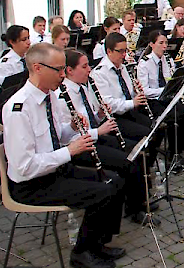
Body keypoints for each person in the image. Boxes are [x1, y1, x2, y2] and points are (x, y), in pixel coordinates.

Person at [3, 43, 126, 268]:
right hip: (32, 184)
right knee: (102, 191)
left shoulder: (48, 96)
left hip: (55, 170)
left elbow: (56, 135)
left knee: (115, 180)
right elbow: (24, 167)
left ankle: (96, 243)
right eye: (58, 70)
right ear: (38, 68)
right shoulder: (18, 108)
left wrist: (71, 126)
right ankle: (80, 254)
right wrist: (70, 151)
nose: (63, 75)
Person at [59, 49, 151, 225]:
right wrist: (99, 131)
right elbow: (68, 138)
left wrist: (101, 114)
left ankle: (134, 200)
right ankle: (134, 208)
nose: (89, 70)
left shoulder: (83, 87)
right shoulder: (62, 96)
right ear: (69, 70)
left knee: (135, 151)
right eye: (84, 66)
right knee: (127, 161)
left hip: (93, 137)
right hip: (81, 147)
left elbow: (89, 118)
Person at [89, 33, 161, 159]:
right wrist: (133, 103)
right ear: (109, 51)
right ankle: (142, 166)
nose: (124, 55)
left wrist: (135, 91)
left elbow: (128, 93)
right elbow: (108, 103)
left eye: (125, 51)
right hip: (114, 117)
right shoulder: (99, 73)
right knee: (147, 134)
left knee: (156, 128)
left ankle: (147, 164)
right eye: (120, 51)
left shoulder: (123, 68)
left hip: (129, 111)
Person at [137, 31, 184, 167]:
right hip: (154, 100)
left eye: (166, 43)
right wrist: (165, 90)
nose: (165, 46)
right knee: (173, 119)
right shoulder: (144, 63)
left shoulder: (168, 59)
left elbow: (171, 79)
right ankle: (172, 154)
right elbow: (144, 91)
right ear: (152, 44)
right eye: (161, 43)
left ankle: (176, 150)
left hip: (168, 97)